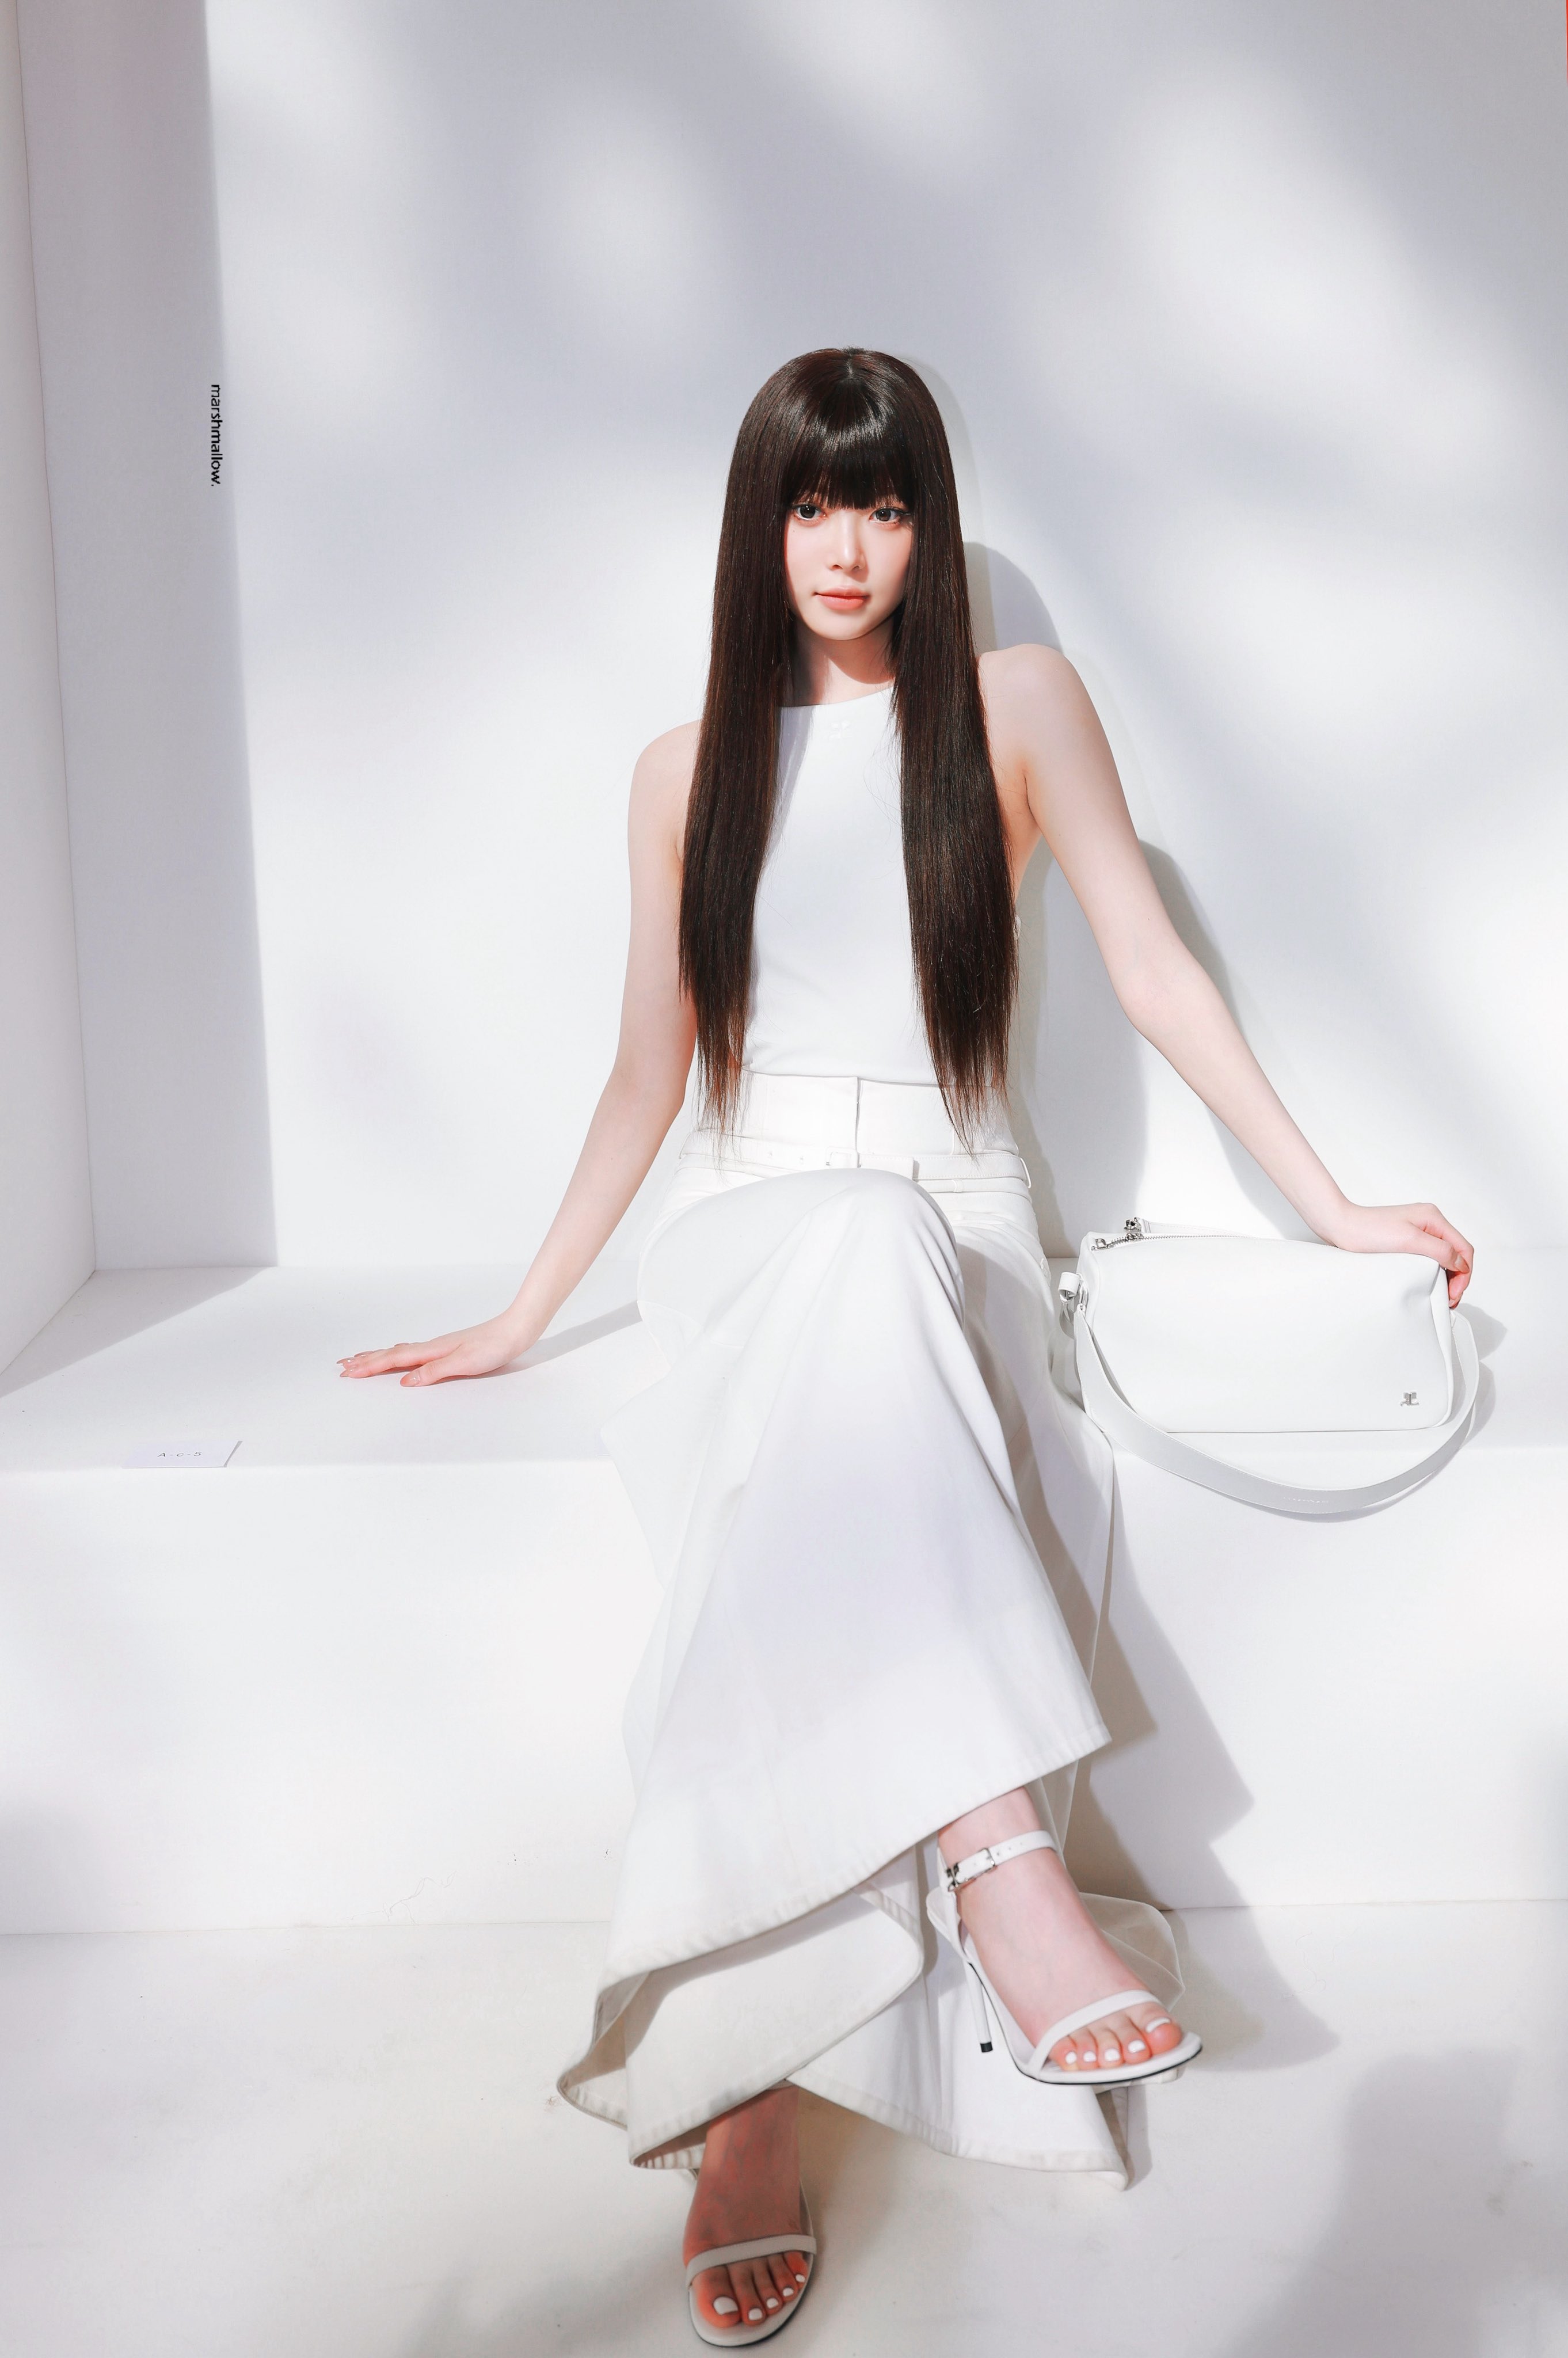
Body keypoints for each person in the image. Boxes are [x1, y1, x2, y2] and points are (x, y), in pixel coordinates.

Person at [341, 348, 1473, 2345]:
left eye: (880, 505)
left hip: (957, 1215)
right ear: (758, 528)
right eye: (809, 505)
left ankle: (739, 2094)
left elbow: (1150, 965)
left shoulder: (1016, 706)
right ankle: (994, 1849)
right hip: (747, 1221)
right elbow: (648, 1072)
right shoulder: (679, 771)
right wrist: (521, 1313)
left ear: (927, 526)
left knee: (866, 1298)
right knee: (842, 1251)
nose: (845, 547)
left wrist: (1330, 1204)